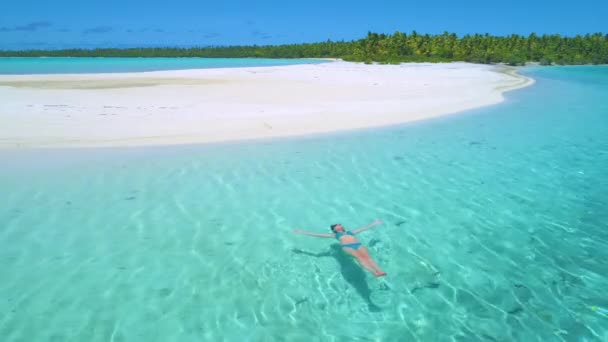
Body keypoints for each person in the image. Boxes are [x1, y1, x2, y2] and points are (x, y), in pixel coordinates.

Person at [293, 220, 386, 277]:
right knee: (360, 258)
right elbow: (318, 235)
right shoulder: (335, 235)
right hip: (348, 247)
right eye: (337, 225)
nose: (339, 225)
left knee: (368, 258)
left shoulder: (350, 232)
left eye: (339, 224)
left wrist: (374, 223)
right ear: (335, 229)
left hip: (358, 244)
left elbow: (363, 228)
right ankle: (374, 272)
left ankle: (380, 271)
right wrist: (301, 232)